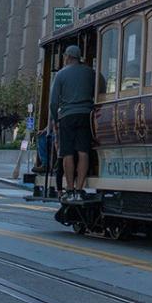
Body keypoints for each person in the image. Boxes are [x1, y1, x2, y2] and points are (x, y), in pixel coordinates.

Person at [48, 44, 97, 201]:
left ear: (68, 57)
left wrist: (56, 120)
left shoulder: (61, 75)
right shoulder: (91, 73)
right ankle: (79, 188)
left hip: (67, 116)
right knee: (83, 152)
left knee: (67, 153)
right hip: (86, 115)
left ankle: (69, 189)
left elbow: (53, 102)